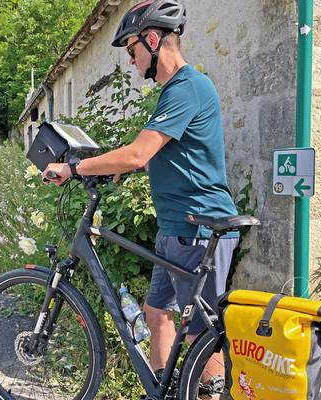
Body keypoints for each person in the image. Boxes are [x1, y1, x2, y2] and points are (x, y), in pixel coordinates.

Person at [42, 0, 238, 396]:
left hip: (196, 229)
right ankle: (161, 392)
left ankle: (215, 391)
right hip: (175, 230)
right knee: (157, 313)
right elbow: (166, 156)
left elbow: (139, 152)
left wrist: (75, 168)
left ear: (153, 39)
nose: (132, 62)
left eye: (132, 52)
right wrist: (121, 166)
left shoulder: (188, 87)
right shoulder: (174, 93)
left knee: (202, 333)